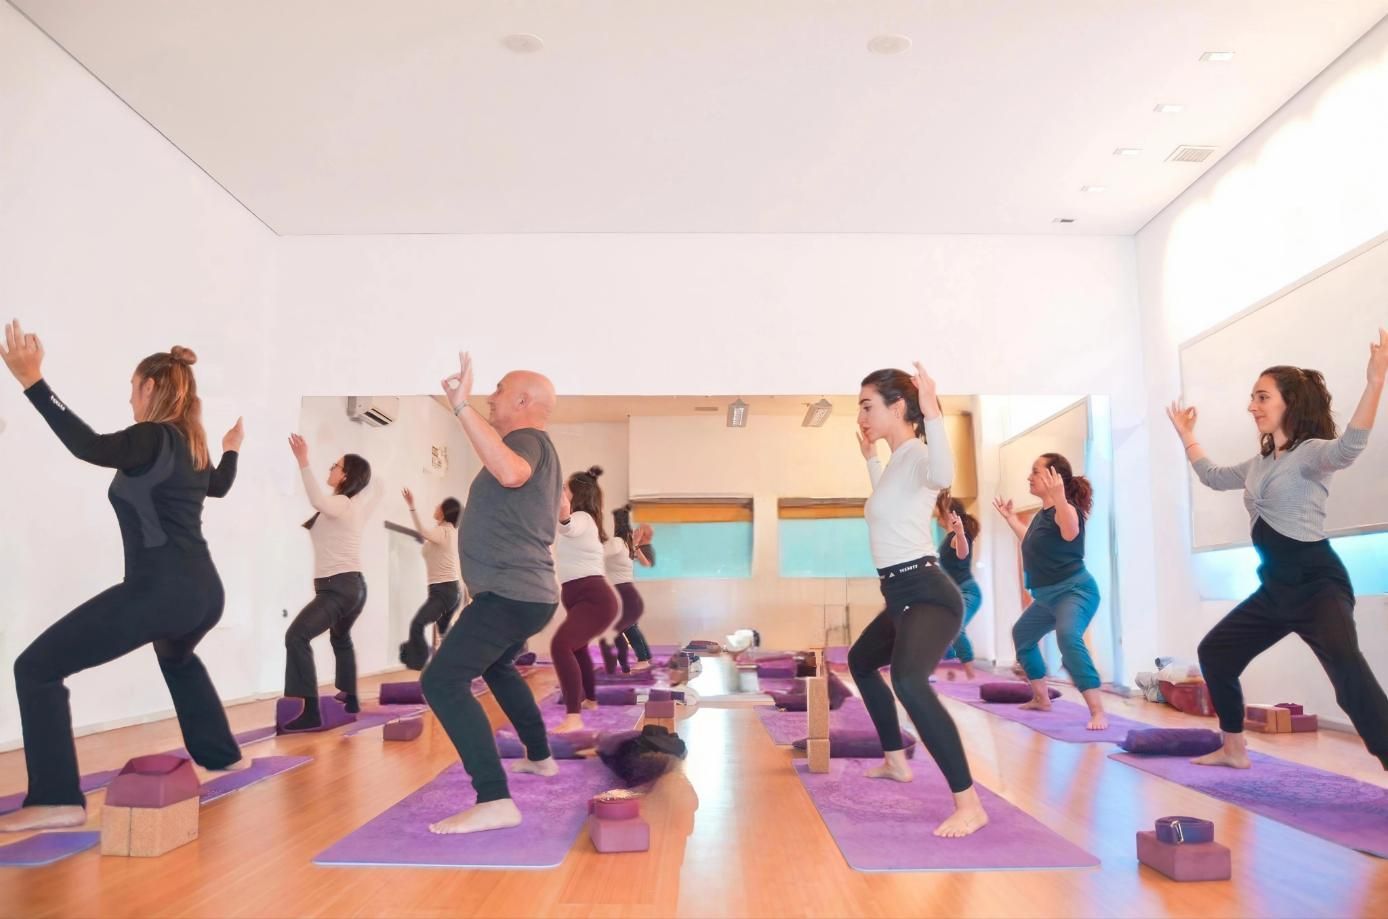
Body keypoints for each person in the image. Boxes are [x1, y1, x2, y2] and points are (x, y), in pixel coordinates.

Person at [0, 321, 245, 832]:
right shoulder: (191, 445)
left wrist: (33, 382)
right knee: (177, 658)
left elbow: (87, 445)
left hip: (162, 592)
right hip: (204, 593)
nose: (130, 398)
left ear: (151, 388)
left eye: (133, 388)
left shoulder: (152, 437)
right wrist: (232, 448)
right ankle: (223, 755)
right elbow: (218, 485)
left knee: (36, 668)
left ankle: (56, 798)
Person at [1168, 329, 1388, 770]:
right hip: (1275, 590)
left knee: (1348, 677)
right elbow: (1212, 476)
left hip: (1317, 585)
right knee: (1216, 652)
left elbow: (1350, 448)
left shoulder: (1310, 454)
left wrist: (1376, 382)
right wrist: (1185, 434)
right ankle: (1234, 749)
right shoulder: (1260, 463)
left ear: (1290, 401)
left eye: (1262, 397)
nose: (1252, 406)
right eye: (1252, 397)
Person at [420, 353, 564, 835]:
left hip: (510, 593)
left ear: (522, 401)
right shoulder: (537, 446)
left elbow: (511, 474)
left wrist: (460, 408)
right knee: (497, 667)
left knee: (441, 682)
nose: (490, 395)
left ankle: (494, 798)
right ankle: (540, 757)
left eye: (499, 389)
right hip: (524, 593)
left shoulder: (525, 441)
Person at [849, 361, 987, 838]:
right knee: (861, 661)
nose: (862, 415)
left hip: (929, 593)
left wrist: (934, 411)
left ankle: (969, 804)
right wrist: (869, 459)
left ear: (898, 407)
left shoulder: (919, 454)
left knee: (909, 681)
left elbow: (943, 472)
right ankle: (895, 760)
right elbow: (889, 510)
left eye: (868, 406)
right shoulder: (895, 465)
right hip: (900, 592)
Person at [993, 453, 1108, 730]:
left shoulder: (1066, 510)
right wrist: (1011, 519)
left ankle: (1098, 712)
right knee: (1023, 634)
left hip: (1075, 591)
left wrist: (1060, 498)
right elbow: (1031, 543)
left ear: (1053, 477)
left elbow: (1070, 531)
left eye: (1035, 471)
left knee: (1068, 637)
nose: (1029, 477)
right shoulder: (1041, 516)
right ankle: (1041, 698)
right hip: (1046, 597)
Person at [282, 435, 373, 730]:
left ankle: (309, 712)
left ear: (345, 476)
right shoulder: (347, 505)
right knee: (340, 638)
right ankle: (350, 698)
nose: (331, 469)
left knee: (296, 637)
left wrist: (303, 461)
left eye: (336, 466)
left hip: (339, 587)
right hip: (352, 586)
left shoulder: (343, 502)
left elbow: (318, 500)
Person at [551, 467, 621, 733]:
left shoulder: (582, 517)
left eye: (567, 488)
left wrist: (563, 504)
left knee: (561, 645)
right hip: (583, 597)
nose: (563, 493)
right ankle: (589, 700)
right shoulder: (586, 520)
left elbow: (567, 525)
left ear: (576, 494)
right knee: (577, 648)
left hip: (594, 598)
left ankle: (573, 717)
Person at [398, 490, 463, 670]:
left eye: (439, 505)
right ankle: (461, 662)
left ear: (444, 512)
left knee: (417, 624)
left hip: (444, 591)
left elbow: (423, 531)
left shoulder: (443, 531)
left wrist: (412, 507)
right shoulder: (446, 533)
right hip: (447, 591)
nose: (435, 507)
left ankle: (419, 663)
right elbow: (430, 544)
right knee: (443, 631)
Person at [599, 505, 654, 673]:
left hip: (623, 591)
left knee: (623, 628)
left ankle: (641, 659)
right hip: (627, 591)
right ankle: (643, 658)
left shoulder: (616, 543)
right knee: (630, 626)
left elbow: (597, 553)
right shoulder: (626, 544)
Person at [934, 492, 983, 681]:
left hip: (967, 592)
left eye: (940, 510)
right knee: (940, 628)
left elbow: (963, 553)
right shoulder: (947, 538)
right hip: (954, 594)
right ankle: (933, 667)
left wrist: (961, 534)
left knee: (956, 628)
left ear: (949, 514)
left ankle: (971, 675)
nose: (937, 514)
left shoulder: (957, 536)